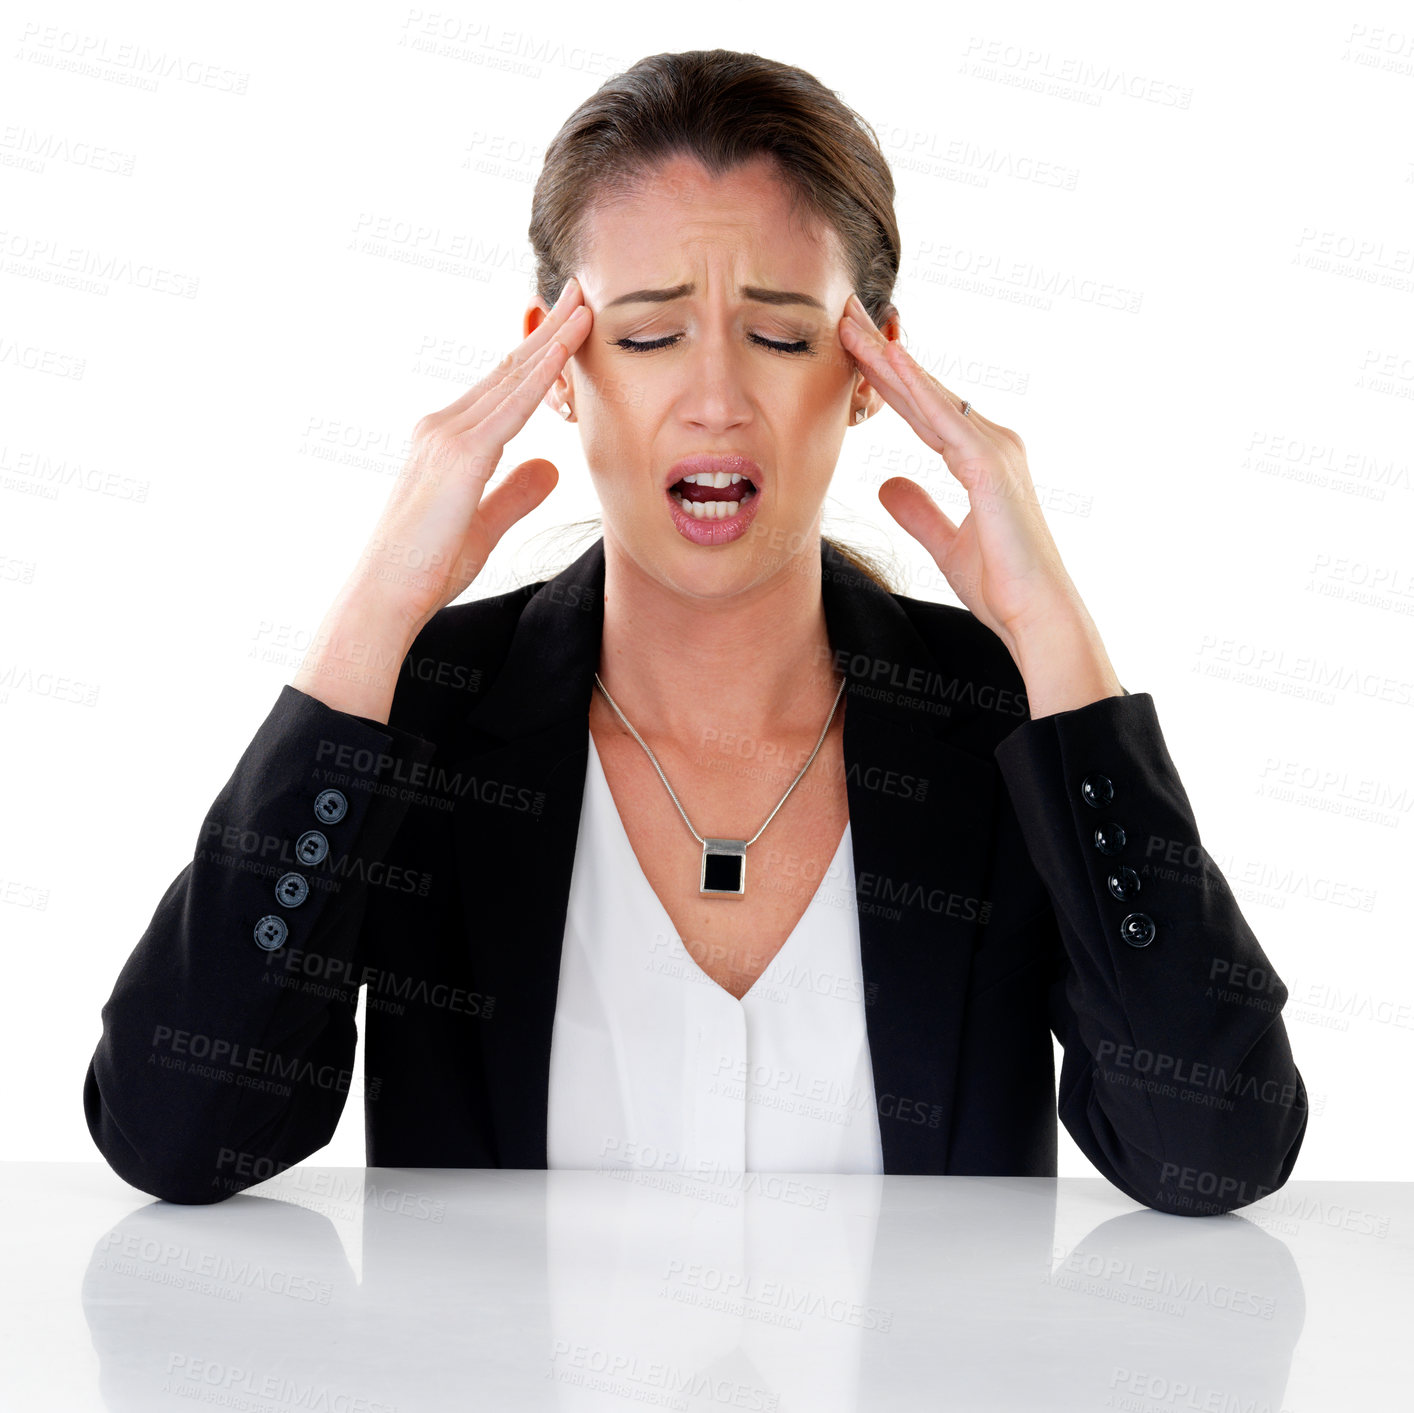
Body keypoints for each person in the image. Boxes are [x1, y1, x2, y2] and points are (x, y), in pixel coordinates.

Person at [83, 49, 1307, 1215]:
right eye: (649, 334)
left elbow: (1211, 1154)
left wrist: (1057, 645)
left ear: (874, 370)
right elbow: (176, 1133)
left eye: (780, 336)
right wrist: (372, 618)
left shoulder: (999, 720)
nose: (717, 399)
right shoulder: (430, 708)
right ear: (555, 367)